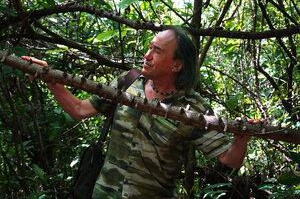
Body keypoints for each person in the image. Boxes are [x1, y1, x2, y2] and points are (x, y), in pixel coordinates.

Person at [23, 27, 249, 198]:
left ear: (177, 66)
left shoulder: (194, 107)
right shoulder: (127, 82)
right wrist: (50, 79)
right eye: (149, 47)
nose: (147, 55)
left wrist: (241, 140)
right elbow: (79, 110)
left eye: (157, 51)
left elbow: (229, 160)